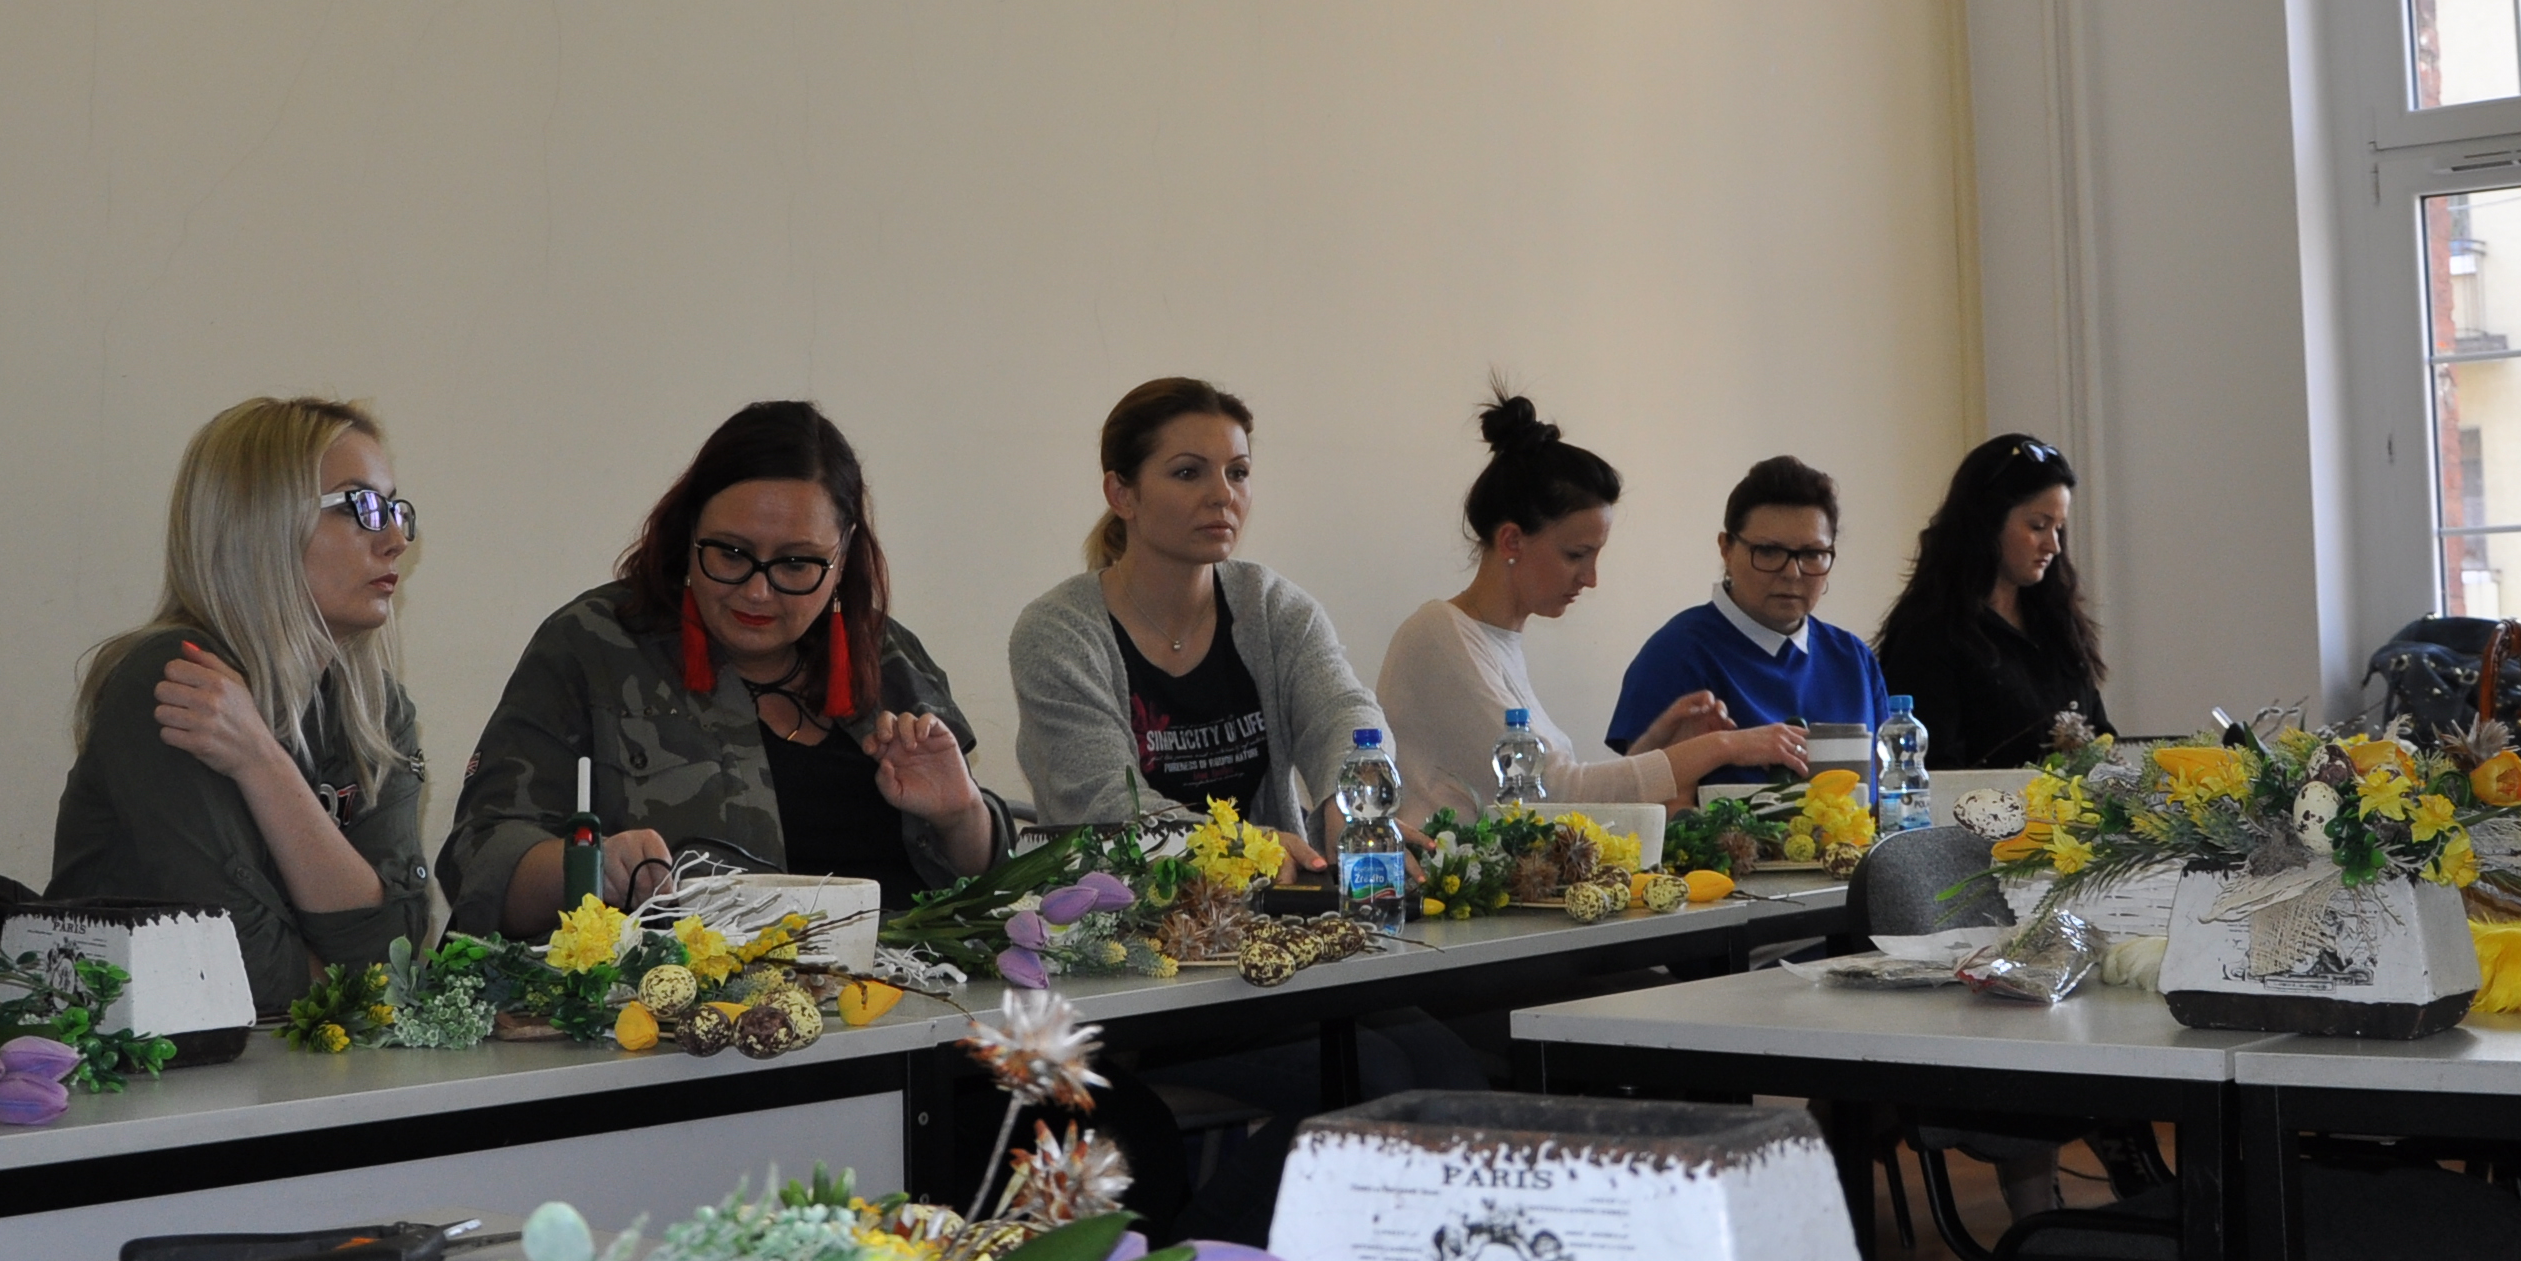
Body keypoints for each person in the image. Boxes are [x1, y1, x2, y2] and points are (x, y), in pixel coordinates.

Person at [440, 401, 1011, 939]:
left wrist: (961, 816)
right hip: (669, 1004)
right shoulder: (593, 646)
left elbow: (995, 891)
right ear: (689, 532)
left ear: (843, 556)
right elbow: (477, 859)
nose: (758, 591)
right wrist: (589, 869)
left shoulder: (886, 656)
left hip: (904, 995)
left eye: (796, 563)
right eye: (731, 554)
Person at [49, 398, 433, 1018]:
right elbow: (236, 968)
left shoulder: (375, 709)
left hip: (304, 1067)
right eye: (360, 507)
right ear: (260, 524)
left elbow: (395, 960)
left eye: (395, 510)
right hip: (150, 1069)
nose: (395, 541)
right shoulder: (177, 678)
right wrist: (353, 984)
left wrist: (261, 762)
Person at [1375, 392, 1804, 822]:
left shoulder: (1494, 642)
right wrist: (1726, 746)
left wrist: (1658, 742)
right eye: (1576, 555)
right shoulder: (1439, 634)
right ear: (1512, 540)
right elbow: (1556, 791)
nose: (1590, 577)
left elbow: (1573, 802)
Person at [1009, 378, 1380, 846]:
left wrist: (1354, 802)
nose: (1223, 495)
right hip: (1119, 892)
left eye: (1238, 472)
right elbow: (1107, 807)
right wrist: (1249, 847)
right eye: (1188, 473)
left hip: (1275, 889)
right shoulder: (1058, 633)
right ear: (1122, 494)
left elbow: (1344, 715)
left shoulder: (1275, 608)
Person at [1602, 456, 1887, 757]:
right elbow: (1640, 781)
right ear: (1726, 549)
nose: (1792, 573)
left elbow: (1890, 780)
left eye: (1812, 554)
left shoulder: (1852, 658)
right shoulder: (1677, 654)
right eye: (1769, 551)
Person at [1875, 434, 2115, 768]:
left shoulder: (2056, 622)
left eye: (2059, 528)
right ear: (1987, 522)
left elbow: (2101, 738)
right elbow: (1934, 768)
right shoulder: (1929, 633)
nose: (2053, 546)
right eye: (2038, 526)